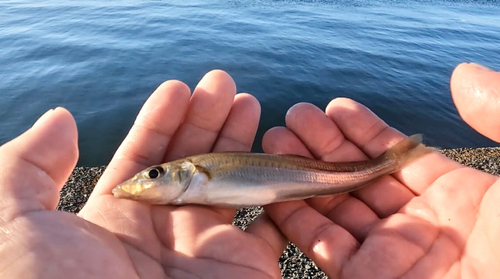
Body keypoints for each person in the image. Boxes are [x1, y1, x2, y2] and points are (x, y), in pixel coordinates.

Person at [0, 63, 497, 278]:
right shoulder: (191, 182)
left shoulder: (198, 173)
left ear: (186, 174)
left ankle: (391, 161)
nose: (145, 180)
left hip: (310, 175)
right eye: (152, 175)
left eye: (156, 175)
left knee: (340, 165)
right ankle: (389, 162)